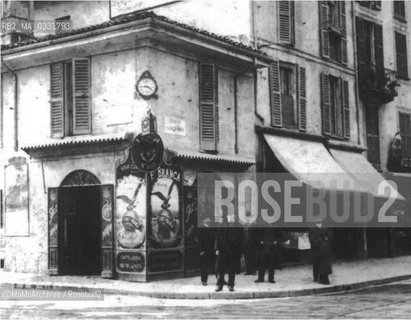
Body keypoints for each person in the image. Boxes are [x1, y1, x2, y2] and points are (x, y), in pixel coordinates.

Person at [214, 216, 242, 292]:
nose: (230, 219)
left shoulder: (237, 226)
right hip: (222, 250)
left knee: (231, 268)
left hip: (232, 251)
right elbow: (217, 237)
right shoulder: (222, 225)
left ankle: (231, 285)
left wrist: (238, 250)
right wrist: (217, 248)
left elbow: (240, 238)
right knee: (220, 268)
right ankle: (220, 285)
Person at [198, 217, 215, 286]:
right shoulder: (201, 229)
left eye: (209, 220)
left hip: (212, 250)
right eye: (206, 220)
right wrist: (201, 250)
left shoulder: (212, 229)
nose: (208, 221)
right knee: (204, 267)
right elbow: (199, 241)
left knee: (217, 266)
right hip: (204, 251)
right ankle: (204, 280)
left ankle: (220, 280)